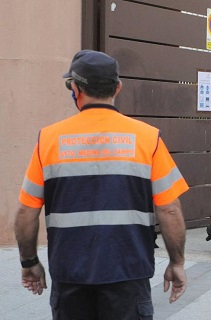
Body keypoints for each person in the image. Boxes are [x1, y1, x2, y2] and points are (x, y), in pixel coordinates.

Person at [14, 50, 190, 318]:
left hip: (70, 275)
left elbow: (27, 212)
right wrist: (177, 262)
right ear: (117, 87)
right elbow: (170, 210)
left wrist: (29, 262)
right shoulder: (148, 138)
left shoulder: (48, 139)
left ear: (75, 88)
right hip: (128, 274)